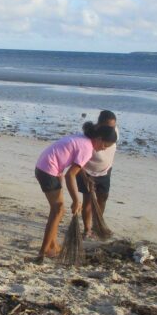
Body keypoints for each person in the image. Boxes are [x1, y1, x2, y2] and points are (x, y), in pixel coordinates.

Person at [33, 123, 117, 262]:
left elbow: (78, 164)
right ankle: (44, 250)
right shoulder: (88, 148)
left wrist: (86, 178)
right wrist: (76, 200)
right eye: (104, 146)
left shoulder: (83, 139)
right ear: (99, 138)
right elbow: (70, 175)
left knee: (58, 210)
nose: (103, 149)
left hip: (44, 166)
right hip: (48, 170)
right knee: (58, 210)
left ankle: (52, 244)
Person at [76, 110, 118, 238]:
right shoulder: (88, 137)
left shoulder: (114, 131)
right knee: (88, 200)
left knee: (102, 197)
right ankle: (87, 229)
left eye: (113, 126)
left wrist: (109, 167)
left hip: (105, 171)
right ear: (100, 125)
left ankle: (97, 225)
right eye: (109, 126)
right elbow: (78, 160)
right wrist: (85, 176)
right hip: (87, 172)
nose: (112, 129)